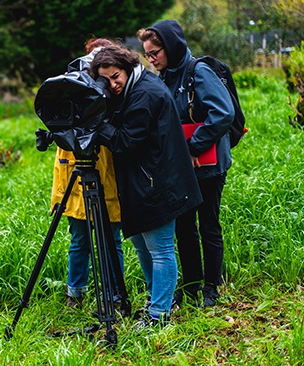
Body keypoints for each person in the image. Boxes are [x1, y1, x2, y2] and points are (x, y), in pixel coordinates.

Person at [89, 45, 202, 328]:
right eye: (106, 80)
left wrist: (96, 122)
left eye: (116, 76)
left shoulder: (145, 95)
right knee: (142, 245)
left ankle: (160, 315)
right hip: (142, 182)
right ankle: (156, 301)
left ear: (127, 68)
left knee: (160, 250)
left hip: (157, 183)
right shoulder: (134, 88)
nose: (112, 84)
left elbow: (124, 143)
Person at [138, 20, 235, 307]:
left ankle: (211, 287)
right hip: (181, 166)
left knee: (208, 224)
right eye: (147, 54)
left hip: (208, 163)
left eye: (155, 52)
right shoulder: (162, 77)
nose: (152, 59)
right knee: (183, 226)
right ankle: (191, 285)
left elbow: (223, 113)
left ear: (171, 46)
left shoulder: (198, 72)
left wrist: (194, 147)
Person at [49, 37, 125, 308]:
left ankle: (116, 293)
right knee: (79, 236)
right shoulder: (72, 85)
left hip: (105, 165)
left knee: (111, 237)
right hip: (75, 164)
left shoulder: (116, 90)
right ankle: (75, 292)